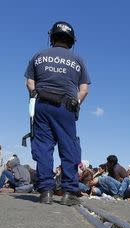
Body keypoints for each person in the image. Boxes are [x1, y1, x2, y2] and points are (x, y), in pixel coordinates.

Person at [25, 21, 90, 205]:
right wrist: (74, 103)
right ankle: (69, 192)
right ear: (71, 40)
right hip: (66, 106)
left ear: (52, 37)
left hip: (42, 104)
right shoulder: (78, 60)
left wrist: (35, 96)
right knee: (68, 146)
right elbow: (84, 89)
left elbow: (30, 82)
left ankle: (46, 191)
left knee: (43, 146)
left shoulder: (38, 55)